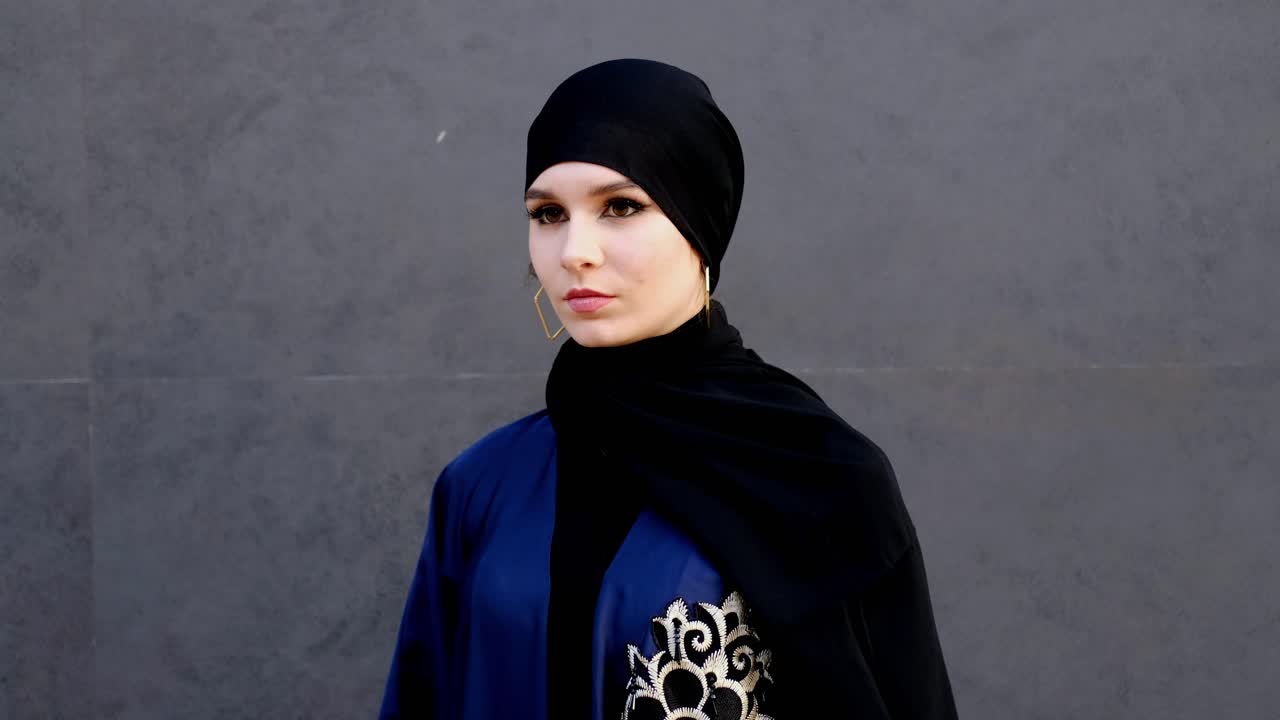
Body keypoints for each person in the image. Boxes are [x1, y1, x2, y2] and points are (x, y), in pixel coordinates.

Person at [378, 58, 959, 720]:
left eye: (621, 206)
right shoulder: (483, 484)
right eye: (547, 214)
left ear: (700, 220)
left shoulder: (820, 480)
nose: (574, 251)